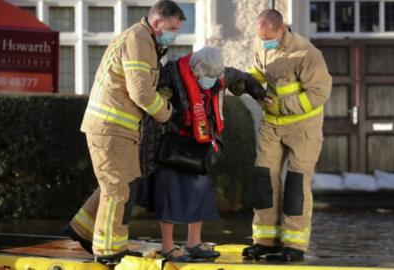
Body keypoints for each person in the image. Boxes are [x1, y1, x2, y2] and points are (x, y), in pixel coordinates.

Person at [64, 0, 185, 265]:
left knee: (120, 182)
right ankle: (109, 251)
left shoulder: (145, 40)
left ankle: (83, 229)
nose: (174, 34)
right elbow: (140, 92)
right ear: (157, 23)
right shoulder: (139, 40)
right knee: (117, 190)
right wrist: (167, 112)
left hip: (120, 127)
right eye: (172, 28)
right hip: (111, 127)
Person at [139, 47, 268, 262]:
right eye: (207, 77)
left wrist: (261, 95)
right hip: (172, 142)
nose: (211, 81)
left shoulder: (218, 74)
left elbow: (243, 79)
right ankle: (168, 247)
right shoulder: (172, 72)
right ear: (196, 70)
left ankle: (194, 243)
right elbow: (155, 102)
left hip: (200, 142)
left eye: (214, 77)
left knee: (199, 192)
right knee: (169, 194)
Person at [242, 9, 332, 261]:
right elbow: (261, 70)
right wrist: (246, 80)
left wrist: (282, 106)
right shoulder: (262, 45)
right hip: (272, 125)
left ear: (281, 30)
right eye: (261, 37)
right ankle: (264, 241)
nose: (264, 42)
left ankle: (294, 245)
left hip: (303, 128)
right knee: (264, 181)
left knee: (296, 184)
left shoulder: (307, 54)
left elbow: (318, 93)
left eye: (268, 37)